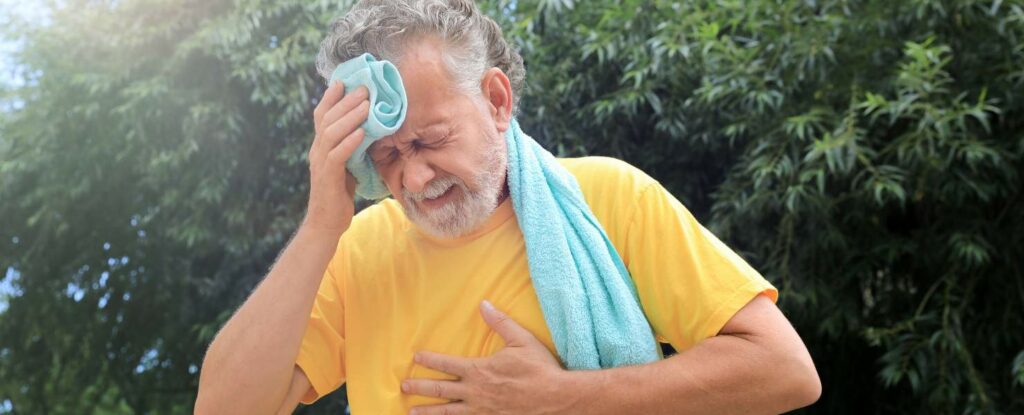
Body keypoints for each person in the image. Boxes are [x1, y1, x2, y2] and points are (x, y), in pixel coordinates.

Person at [194, 0, 822, 413]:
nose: (413, 176)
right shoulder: (360, 247)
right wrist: (322, 224)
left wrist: (564, 398)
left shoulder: (607, 197)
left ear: (496, 101)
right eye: (384, 158)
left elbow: (784, 369)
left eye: (430, 140)